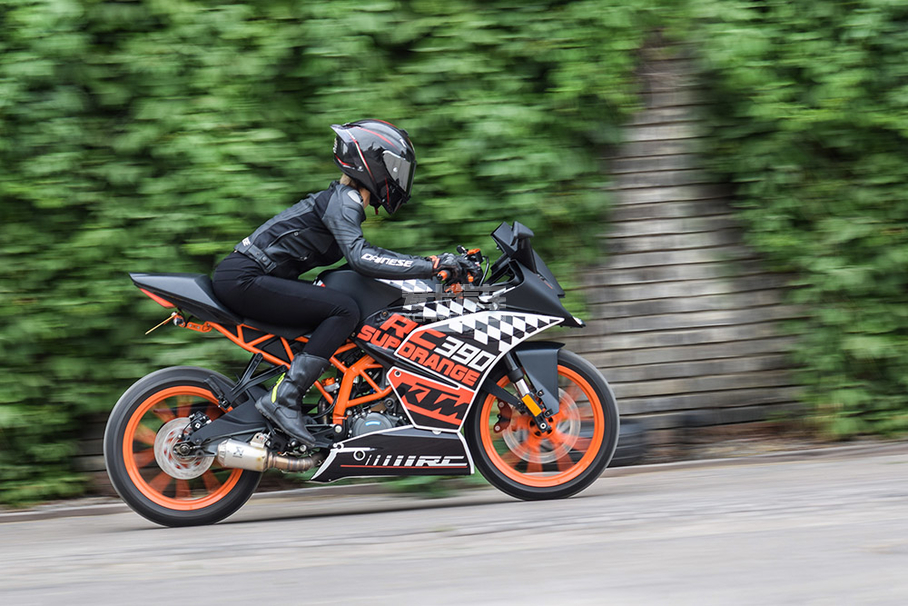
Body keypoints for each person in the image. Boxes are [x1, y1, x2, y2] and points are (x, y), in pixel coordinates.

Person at [212, 119, 474, 448]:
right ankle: (285, 398)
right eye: (398, 169)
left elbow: (370, 256)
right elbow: (361, 257)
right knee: (343, 310)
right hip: (245, 279)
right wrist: (431, 265)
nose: (400, 179)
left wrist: (426, 266)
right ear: (376, 165)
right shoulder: (345, 200)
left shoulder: (342, 200)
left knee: (341, 306)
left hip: (250, 277)